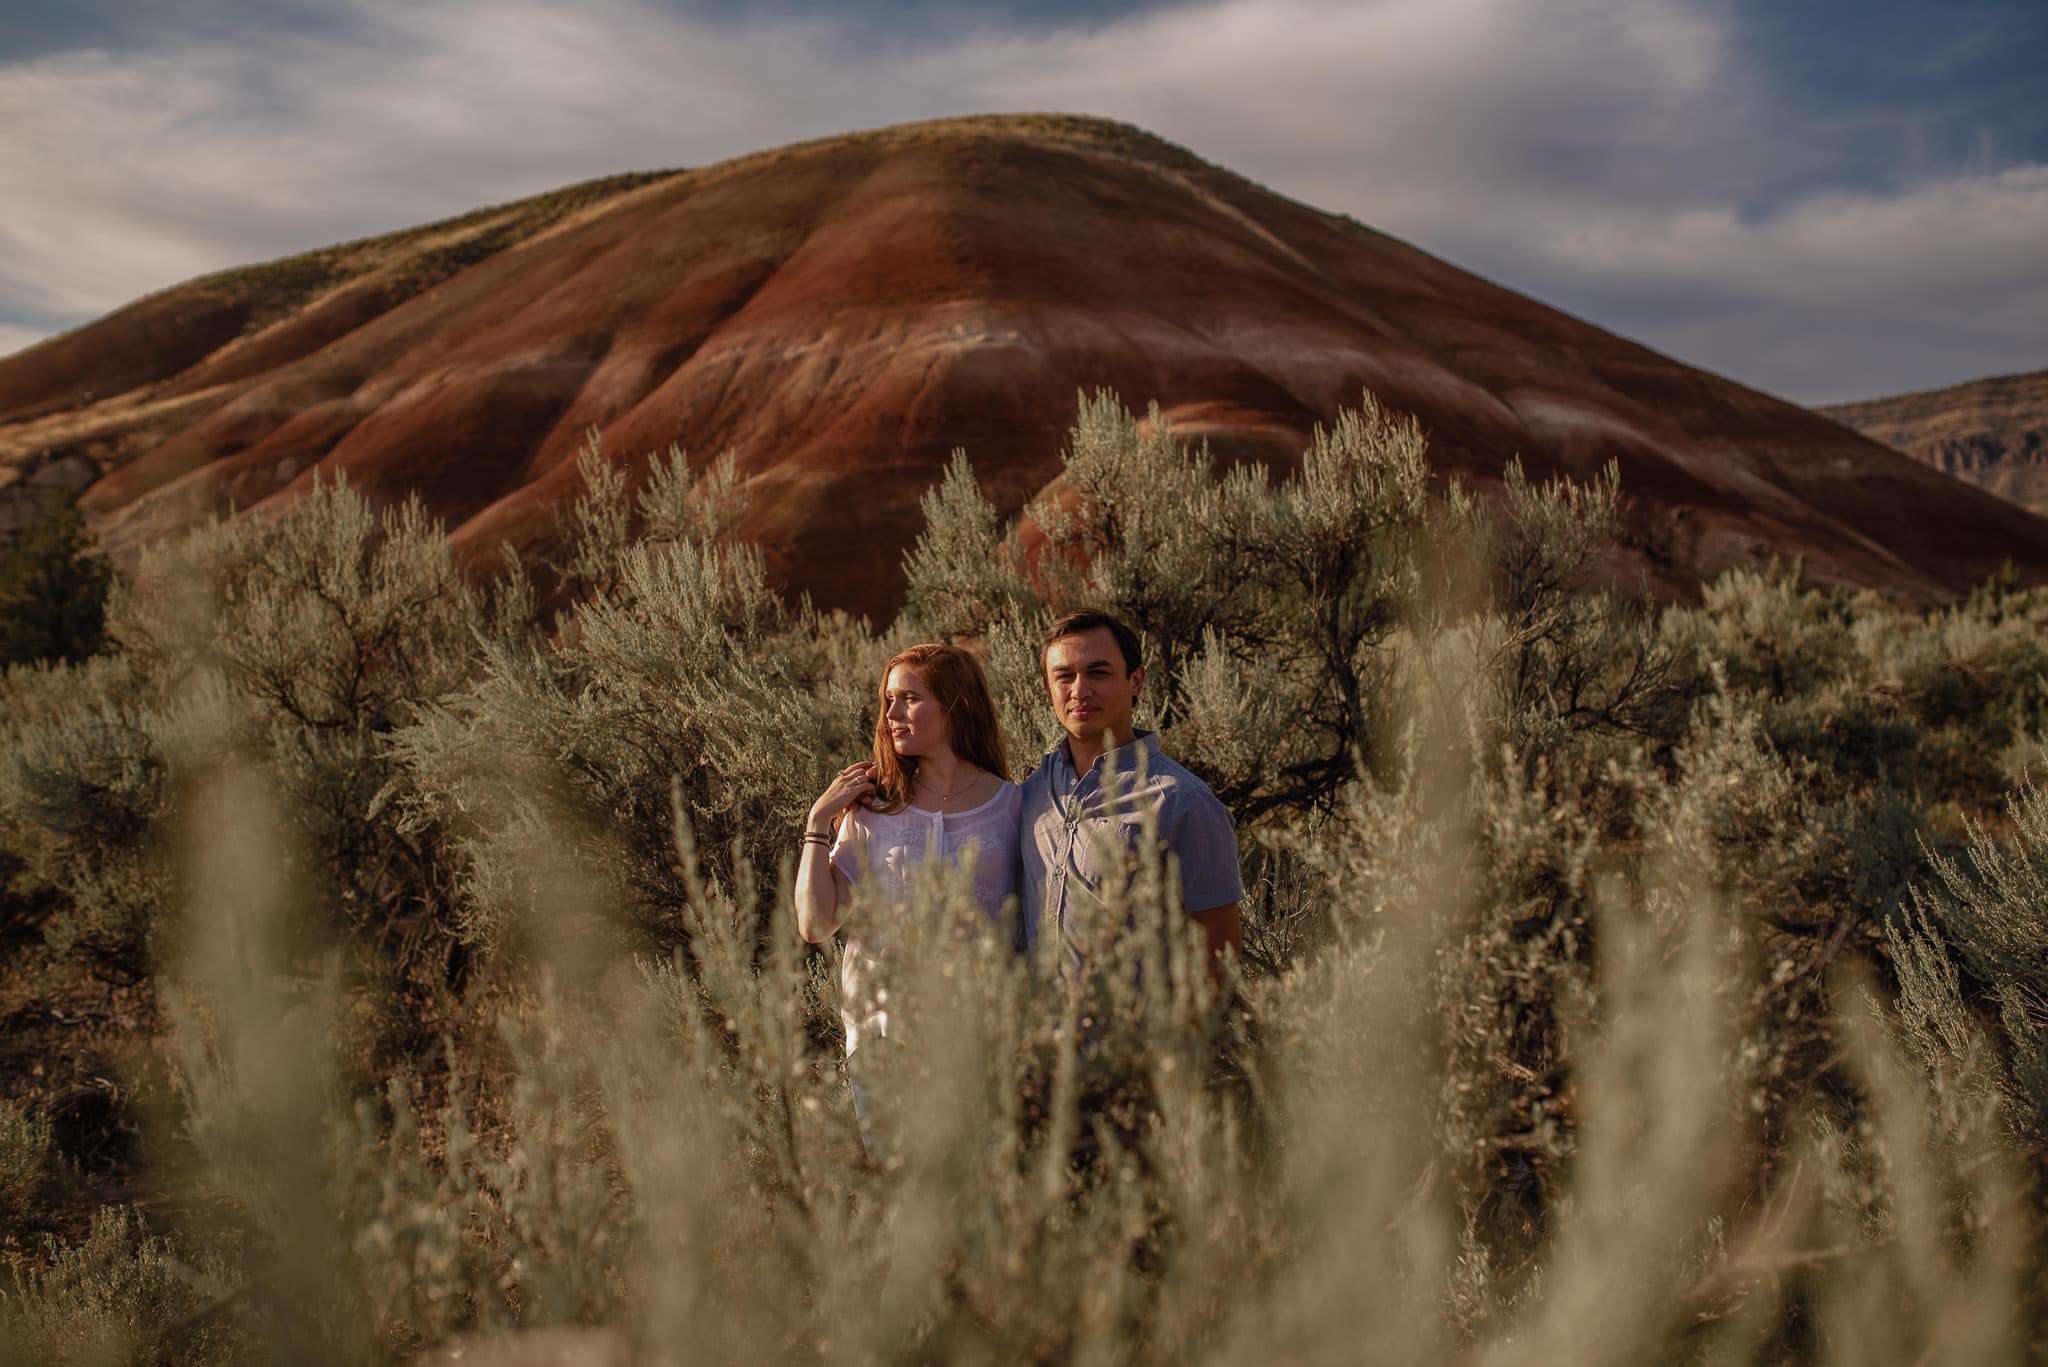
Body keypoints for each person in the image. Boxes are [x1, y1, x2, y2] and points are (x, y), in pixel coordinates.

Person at [794, 643, 1021, 1159]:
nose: (892, 714)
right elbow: (814, 923)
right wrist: (817, 824)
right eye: (889, 700)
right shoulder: (873, 810)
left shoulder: (1011, 807)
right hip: (883, 1036)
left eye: (910, 699)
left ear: (955, 704)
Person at [1019, 609, 1243, 988]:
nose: (1079, 690)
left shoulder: (1183, 801)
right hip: (1038, 1043)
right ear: (1047, 689)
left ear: (1136, 680)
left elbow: (1219, 959)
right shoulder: (1033, 790)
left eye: (1098, 673)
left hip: (1134, 1045)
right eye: (1064, 677)